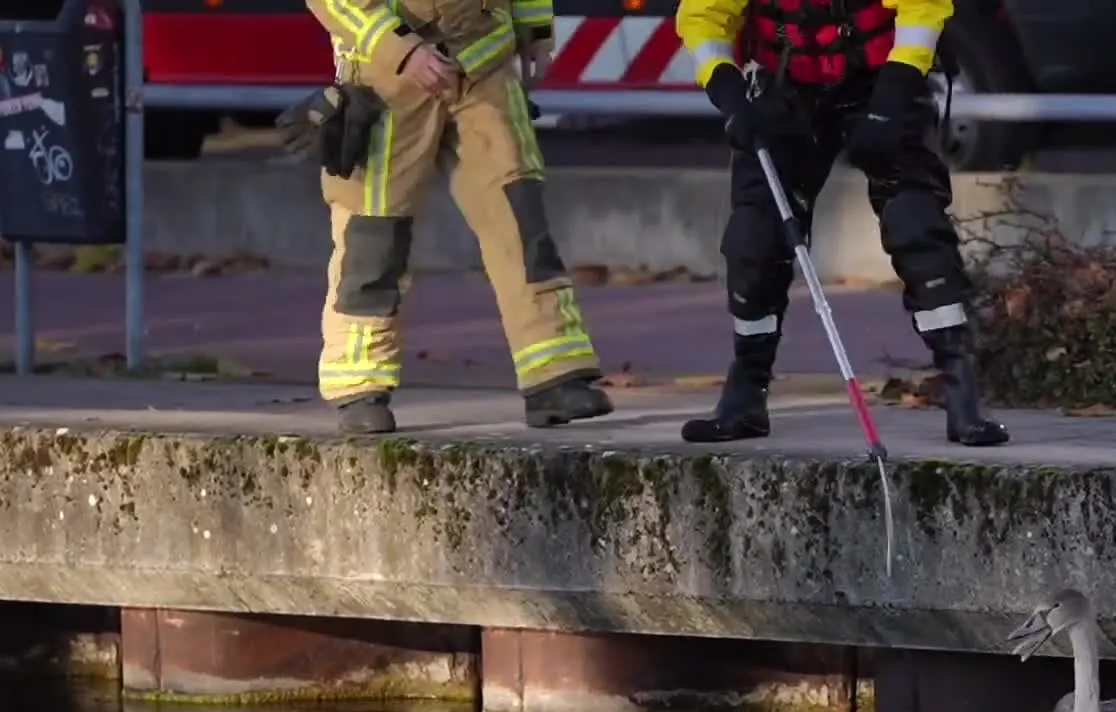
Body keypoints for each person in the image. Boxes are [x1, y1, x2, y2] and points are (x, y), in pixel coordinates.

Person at [674, 0, 1010, 447]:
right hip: (784, 85)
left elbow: (923, 7)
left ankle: (962, 390)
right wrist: (729, 94)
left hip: (883, 76)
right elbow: (703, 16)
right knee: (754, 238)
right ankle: (746, 391)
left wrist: (893, 96)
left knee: (916, 223)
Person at [296, 0, 613, 435]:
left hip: (482, 68)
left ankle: (556, 374)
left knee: (519, 223)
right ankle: (359, 386)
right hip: (386, 83)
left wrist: (535, 27)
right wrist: (402, 50)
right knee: (375, 239)